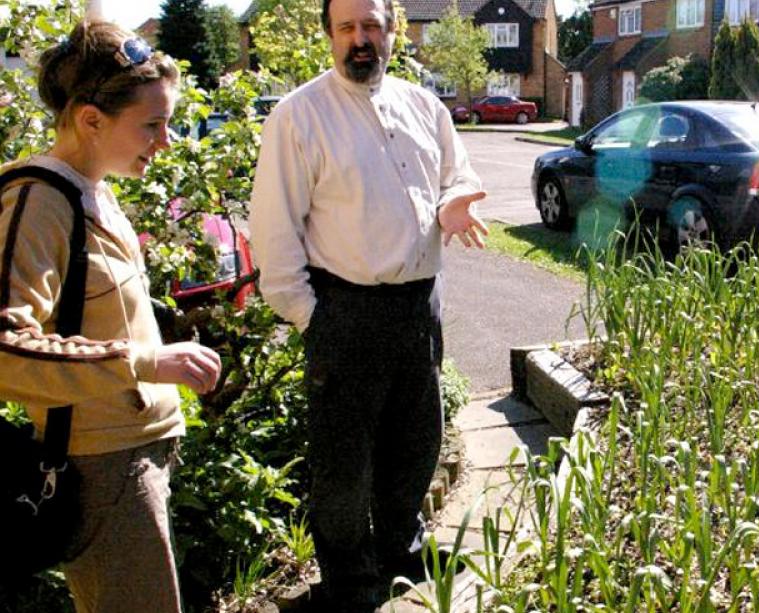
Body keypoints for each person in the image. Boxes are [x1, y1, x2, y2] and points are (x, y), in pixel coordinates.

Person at [248, 0, 488, 609]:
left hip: (418, 307)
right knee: (344, 465)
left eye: (372, 26)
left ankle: (402, 552)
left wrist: (454, 202)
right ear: (330, 34)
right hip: (343, 311)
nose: (361, 39)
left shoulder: (425, 106)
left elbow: (454, 177)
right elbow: (275, 233)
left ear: (392, 30)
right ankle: (350, 583)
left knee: (416, 440)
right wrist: (311, 316)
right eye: (348, 27)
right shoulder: (298, 117)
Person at [0, 21, 221, 613]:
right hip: (101, 468)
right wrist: (146, 362)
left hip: (135, 458)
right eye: (151, 125)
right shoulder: (39, 202)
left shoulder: (92, 190)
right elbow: (5, 348)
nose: (166, 140)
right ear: (91, 120)